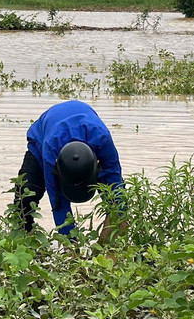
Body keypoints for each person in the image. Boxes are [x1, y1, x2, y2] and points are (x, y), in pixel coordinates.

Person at [11, 99, 124, 241]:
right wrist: (72, 247)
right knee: (25, 196)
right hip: (43, 141)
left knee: (115, 195)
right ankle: (23, 238)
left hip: (91, 140)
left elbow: (117, 191)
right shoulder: (50, 152)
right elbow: (58, 203)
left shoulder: (103, 141)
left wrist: (107, 243)